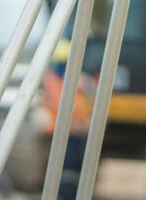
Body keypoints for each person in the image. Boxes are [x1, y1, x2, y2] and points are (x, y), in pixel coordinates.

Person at [39, 40, 94, 200]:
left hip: (72, 132)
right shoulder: (72, 78)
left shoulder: (72, 79)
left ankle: (67, 195)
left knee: (69, 169)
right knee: (67, 169)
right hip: (64, 131)